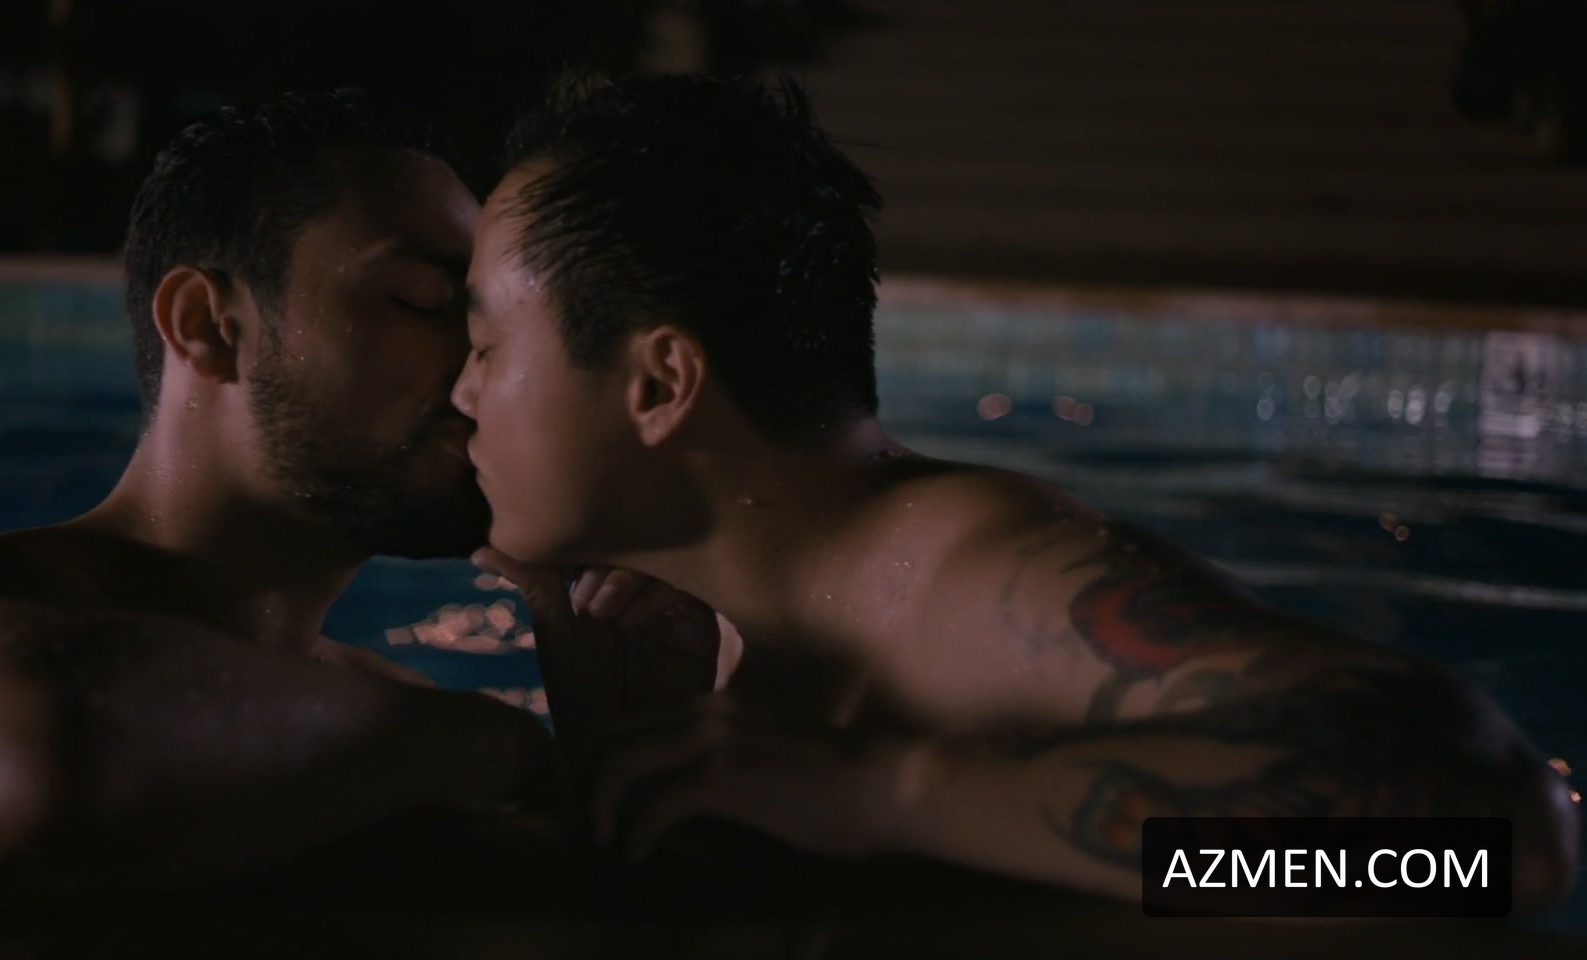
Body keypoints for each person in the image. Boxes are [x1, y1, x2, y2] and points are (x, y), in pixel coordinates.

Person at [452, 74, 1580, 911]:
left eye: (488, 346)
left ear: (660, 384)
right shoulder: (707, 623)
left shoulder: (964, 582)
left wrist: (898, 794)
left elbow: (1491, 846)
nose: (460, 393)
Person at [0, 88, 718, 896]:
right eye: (422, 300)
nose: (480, 370)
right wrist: (505, 748)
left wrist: (615, 755)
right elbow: (39, 747)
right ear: (208, 327)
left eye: (488, 328)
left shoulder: (383, 715)